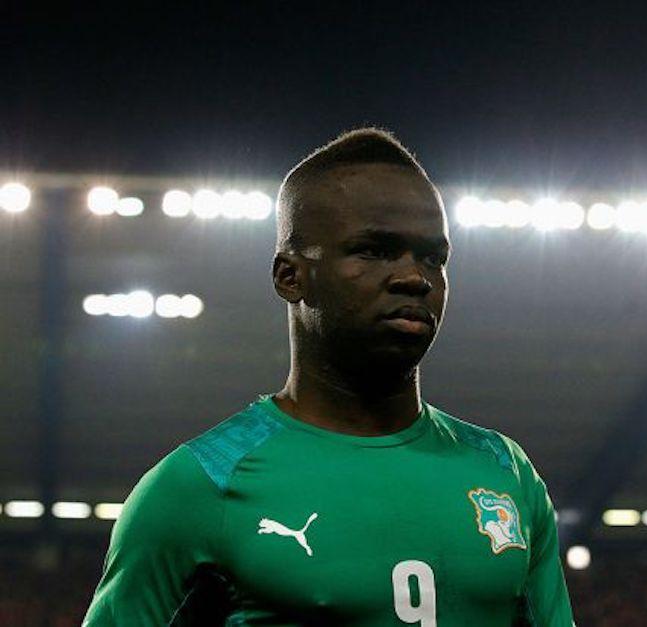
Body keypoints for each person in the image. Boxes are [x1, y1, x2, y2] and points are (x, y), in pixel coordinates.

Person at [83, 128, 574, 625]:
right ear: (289, 277)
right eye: (373, 250)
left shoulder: (505, 472)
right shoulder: (199, 485)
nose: (414, 277)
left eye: (433, 258)